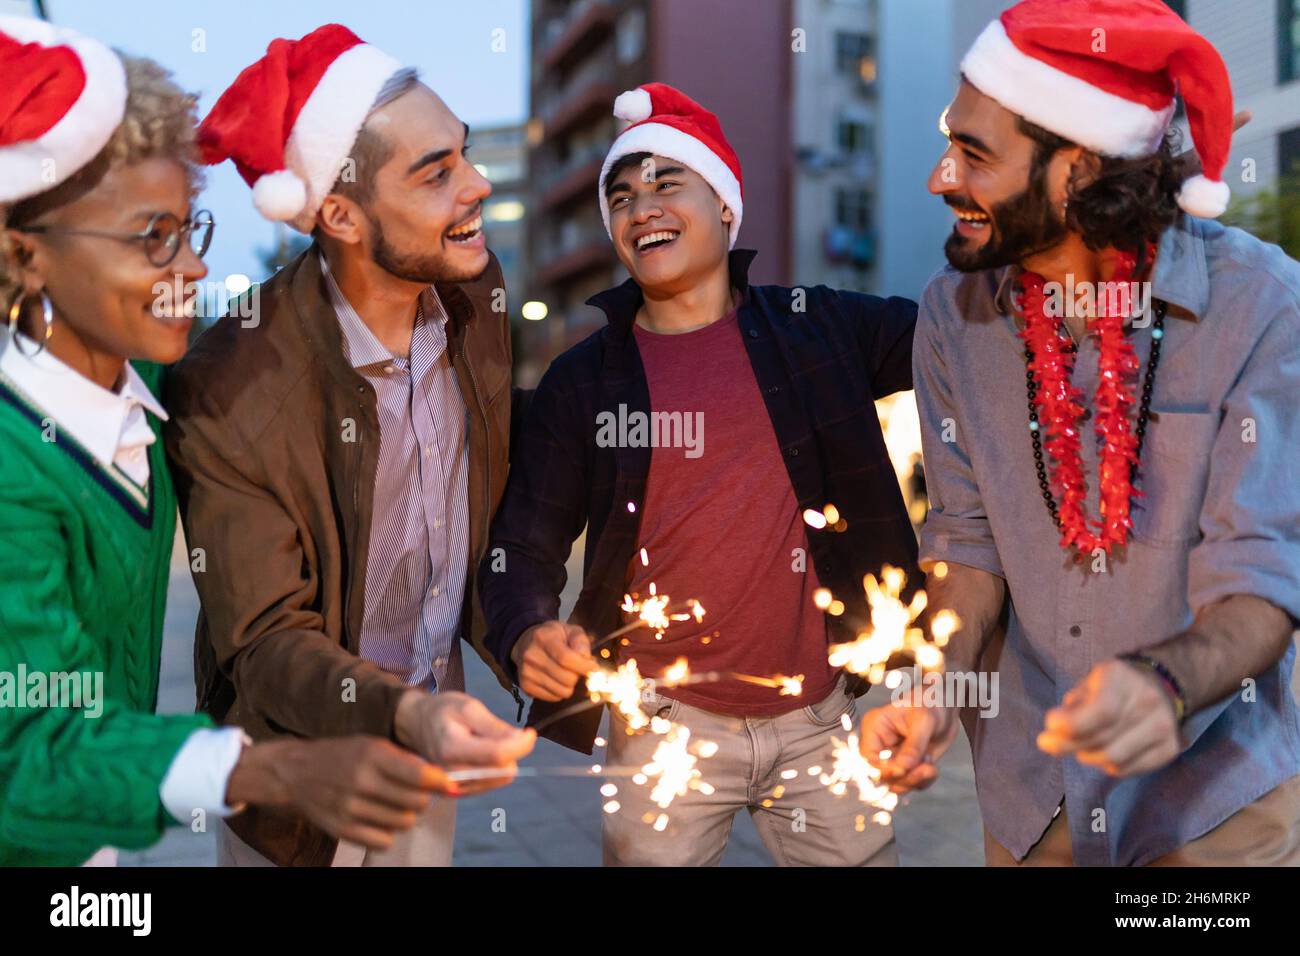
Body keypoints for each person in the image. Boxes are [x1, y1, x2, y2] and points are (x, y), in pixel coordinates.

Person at [0, 16, 464, 866]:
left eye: (191, 231)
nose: (193, 271)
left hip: (91, 842)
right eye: (152, 238)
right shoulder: (13, 464)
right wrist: (270, 771)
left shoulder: (142, 409)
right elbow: (23, 755)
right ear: (25, 257)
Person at [860, 0, 1300, 866]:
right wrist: (933, 684)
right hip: (1031, 801)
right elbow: (967, 541)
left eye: (974, 154)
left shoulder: (1262, 302)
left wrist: (1161, 685)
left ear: (1079, 168)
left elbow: (1263, 573)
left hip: (1217, 810)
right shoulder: (953, 311)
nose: (940, 178)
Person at [480, 83, 918, 866]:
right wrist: (526, 629)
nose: (639, 206)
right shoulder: (584, 381)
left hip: (820, 719)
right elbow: (525, 541)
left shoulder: (818, 327)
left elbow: (965, 331)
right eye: (620, 195)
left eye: (665, 182)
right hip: (659, 729)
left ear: (725, 206)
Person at [164, 24, 535, 867]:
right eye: (435, 173)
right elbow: (260, 640)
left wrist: (524, 631)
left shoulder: (474, 292)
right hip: (308, 770)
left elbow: (480, 502)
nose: (477, 186)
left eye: (465, 155)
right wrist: (398, 713)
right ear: (338, 212)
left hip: (434, 739)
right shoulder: (231, 383)